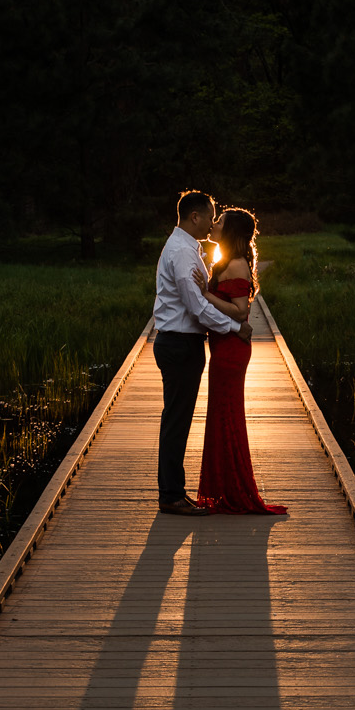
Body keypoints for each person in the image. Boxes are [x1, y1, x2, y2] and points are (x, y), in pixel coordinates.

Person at [151, 190, 251, 516]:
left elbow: (204, 298)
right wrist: (236, 328)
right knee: (176, 420)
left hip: (183, 344)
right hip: (179, 344)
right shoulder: (181, 253)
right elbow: (196, 308)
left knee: (177, 419)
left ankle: (174, 491)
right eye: (211, 216)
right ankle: (171, 495)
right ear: (195, 216)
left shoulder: (189, 248)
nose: (212, 223)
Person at [192, 208, 285, 515]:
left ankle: (231, 490)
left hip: (231, 350)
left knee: (227, 416)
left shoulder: (238, 264)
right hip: (224, 347)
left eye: (218, 222)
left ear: (229, 230)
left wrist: (205, 293)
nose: (213, 224)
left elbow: (241, 311)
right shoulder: (226, 261)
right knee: (222, 416)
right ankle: (222, 489)